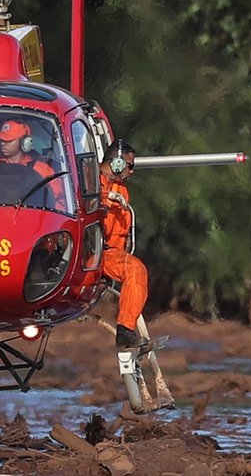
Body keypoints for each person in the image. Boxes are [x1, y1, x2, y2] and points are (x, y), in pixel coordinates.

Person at [99, 138, 149, 349]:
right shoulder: (85, 181)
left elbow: (119, 234)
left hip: (105, 256)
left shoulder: (121, 191)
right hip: (81, 254)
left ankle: (125, 330)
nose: (131, 171)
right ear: (117, 163)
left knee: (135, 269)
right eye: (130, 165)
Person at [0, 119, 66, 211]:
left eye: (8, 140)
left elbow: (60, 204)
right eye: (1, 140)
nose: (2, 144)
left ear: (25, 142)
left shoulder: (43, 171)